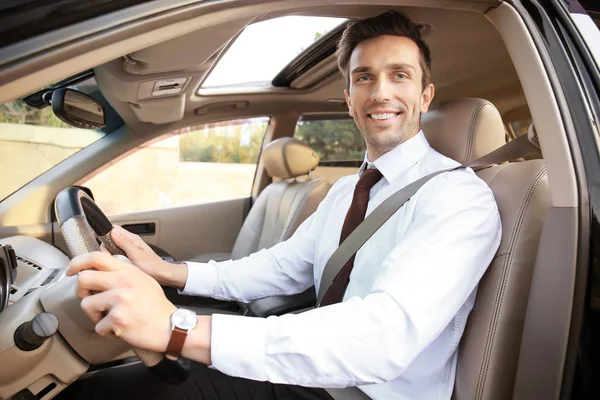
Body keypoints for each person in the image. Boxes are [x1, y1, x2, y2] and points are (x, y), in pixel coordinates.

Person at [59, 10, 501, 400]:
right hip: (315, 369)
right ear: (349, 98)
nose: (380, 92)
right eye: (364, 77)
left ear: (425, 96)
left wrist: (178, 328)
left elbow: (381, 338)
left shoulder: (459, 200)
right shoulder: (347, 191)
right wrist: (170, 272)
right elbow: (280, 266)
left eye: (400, 75)